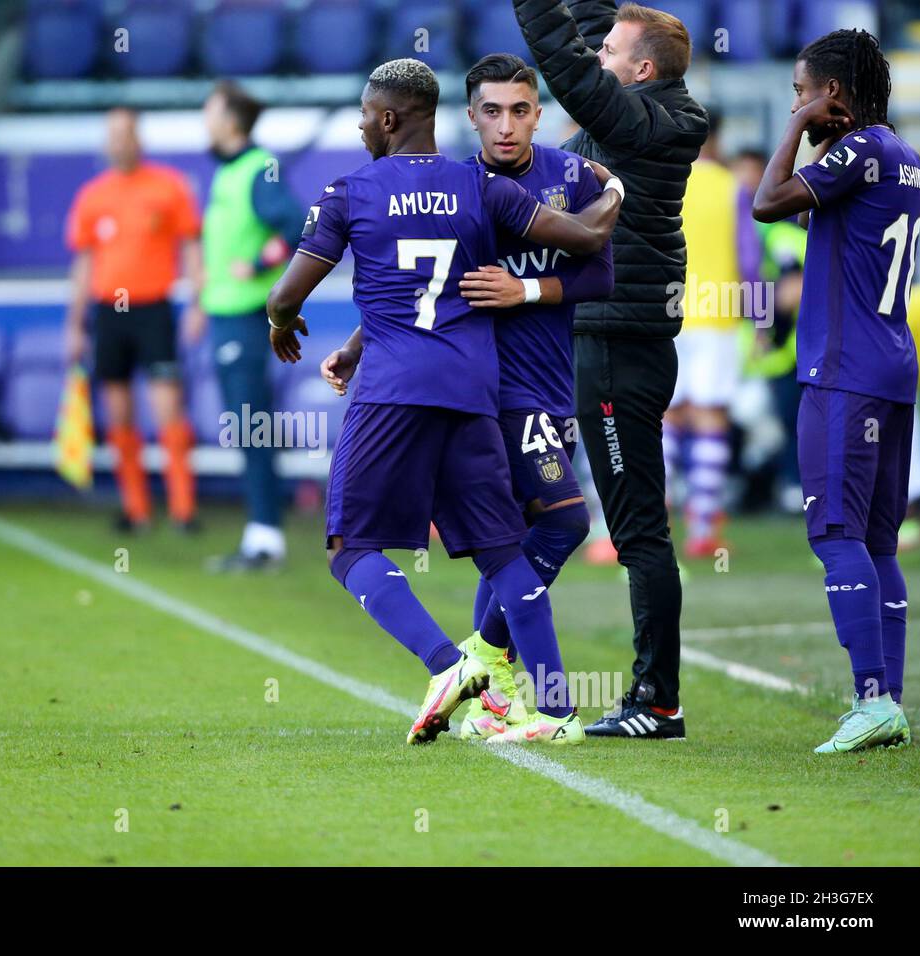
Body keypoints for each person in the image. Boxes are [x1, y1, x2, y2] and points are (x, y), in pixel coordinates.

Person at [268, 58, 623, 746]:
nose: (362, 125)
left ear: (390, 117)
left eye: (366, 114)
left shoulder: (351, 191)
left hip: (394, 394)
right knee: (504, 553)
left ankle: (448, 663)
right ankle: (555, 709)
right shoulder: (480, 187)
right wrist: (613, 193)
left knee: (349, 545)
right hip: (471, 392)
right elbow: (586, 240)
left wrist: (284, 324)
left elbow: (286, 295)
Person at [512, 0, 708, 739]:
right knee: (606, 516)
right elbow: (592, 40)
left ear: (643, 71)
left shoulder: (659, 122)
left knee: (637, 530)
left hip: (618, 346)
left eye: (614, 53)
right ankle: (500, 651)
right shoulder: (645, 100)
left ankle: (658, 700)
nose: (600, 58)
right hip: (604, 336)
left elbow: (571, 70)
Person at [752, 28, 916, 753]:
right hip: (894, 367)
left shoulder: (861, 151)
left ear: (834, 94)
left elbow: (768, 201)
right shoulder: (906, 156)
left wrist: (792, 125)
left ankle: (871, 699)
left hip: (843, 371)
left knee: (836, 532)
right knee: (879, 541)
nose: (798, 104)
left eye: (803, 91)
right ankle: (889, 703)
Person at [63, 107, 204, 533]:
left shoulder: (169, 188)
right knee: (119, 414)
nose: (120, 141)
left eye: (126, 133)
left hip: (153, 310)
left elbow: (193, 247)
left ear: (139, 138)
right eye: (113, 134)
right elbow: (83, 264)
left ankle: (183, 510)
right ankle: (137, 510)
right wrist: (74, 323)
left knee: (167, 410)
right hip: (109, 314)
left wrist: (199, 303)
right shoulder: (93, 196)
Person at [200, 81, 306, 571]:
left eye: (210, 110)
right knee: (246, 428)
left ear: (230, 121)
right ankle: (261, 532)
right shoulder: (229, 172)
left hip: (245, 320)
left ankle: (265, 538)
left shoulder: (257, 169)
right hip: (224, 317)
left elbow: (297, 224)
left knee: (251, 427)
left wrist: (261, 263)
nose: (204, 118)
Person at [665, 111, 758, 557]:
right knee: (710, 416)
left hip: (667, 312)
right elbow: (749, 256)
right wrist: (759, 320)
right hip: (718, 314)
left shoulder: (664, 180)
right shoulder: (730, 186)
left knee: (665, 419)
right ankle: (703, 528)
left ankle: (655, 524)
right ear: (716, 139)